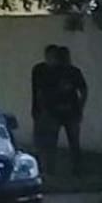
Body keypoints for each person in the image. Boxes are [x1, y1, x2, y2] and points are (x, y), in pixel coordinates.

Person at [34, 46, 88, 175]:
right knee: (57, 143)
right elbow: (41, 93)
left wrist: (80, 106)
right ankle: (54, 169)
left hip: (65, 112)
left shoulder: (71, 72)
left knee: (66, 143)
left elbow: (83, 90)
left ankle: (73, 169)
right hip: (58, 112)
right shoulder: (48, 72)